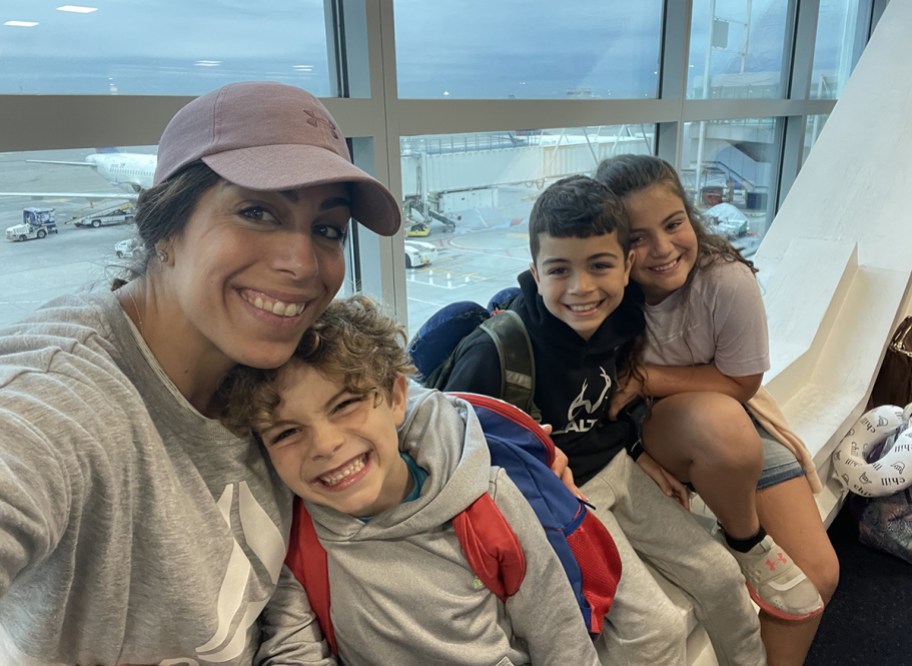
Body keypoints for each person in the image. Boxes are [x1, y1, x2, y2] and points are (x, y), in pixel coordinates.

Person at [0, 81, 402, 664]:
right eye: (257, 211)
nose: (301, 263)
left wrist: (513, 449)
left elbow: (393, 394)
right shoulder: (63, 395)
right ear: (164, 228)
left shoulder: (272, 374)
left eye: (328, 229)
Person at [443, 174, 766, 666]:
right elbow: (450, 449)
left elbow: (611, 400)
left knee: (722, 576)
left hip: (616, 469)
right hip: (561, 498)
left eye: (599, 265)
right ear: (533, 269)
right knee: (652, 630)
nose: (582, 289)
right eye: (559, 270)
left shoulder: (621, 316)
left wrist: (636, 450)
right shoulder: (498, 350)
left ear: (627, 266)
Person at [218, 294, 603, 666]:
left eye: (345, 405)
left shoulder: (490, 503)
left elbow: (559, 634)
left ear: (397, 398)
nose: (326, 444)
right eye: (286, 433)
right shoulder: (294, 537)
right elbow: (294, 647)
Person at [596, 153, 840, 665]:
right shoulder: (600, 295)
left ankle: (745, 546)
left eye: (673, 223)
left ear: (691, 216)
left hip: (724, 418)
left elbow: (742, 384)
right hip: (647, 429)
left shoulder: (726, 280)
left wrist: (647, 378)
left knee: (817, 578)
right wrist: (637, 450)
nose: (663, 249)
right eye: (637, 238)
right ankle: (746, 539)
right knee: (718, 422)